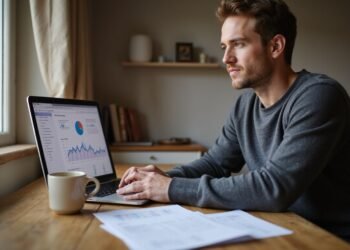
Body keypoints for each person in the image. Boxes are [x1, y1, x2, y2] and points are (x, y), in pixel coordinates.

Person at [117, 0, 350, 241]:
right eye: (224, 46)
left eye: (238, 44)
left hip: (328, 238)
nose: (226, 58)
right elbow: (214, 164)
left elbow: (274, 187)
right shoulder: (245, 106)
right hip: (280, 228)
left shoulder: (319, 96)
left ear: (276, 46)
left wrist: (170, 188)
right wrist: (158, 180)